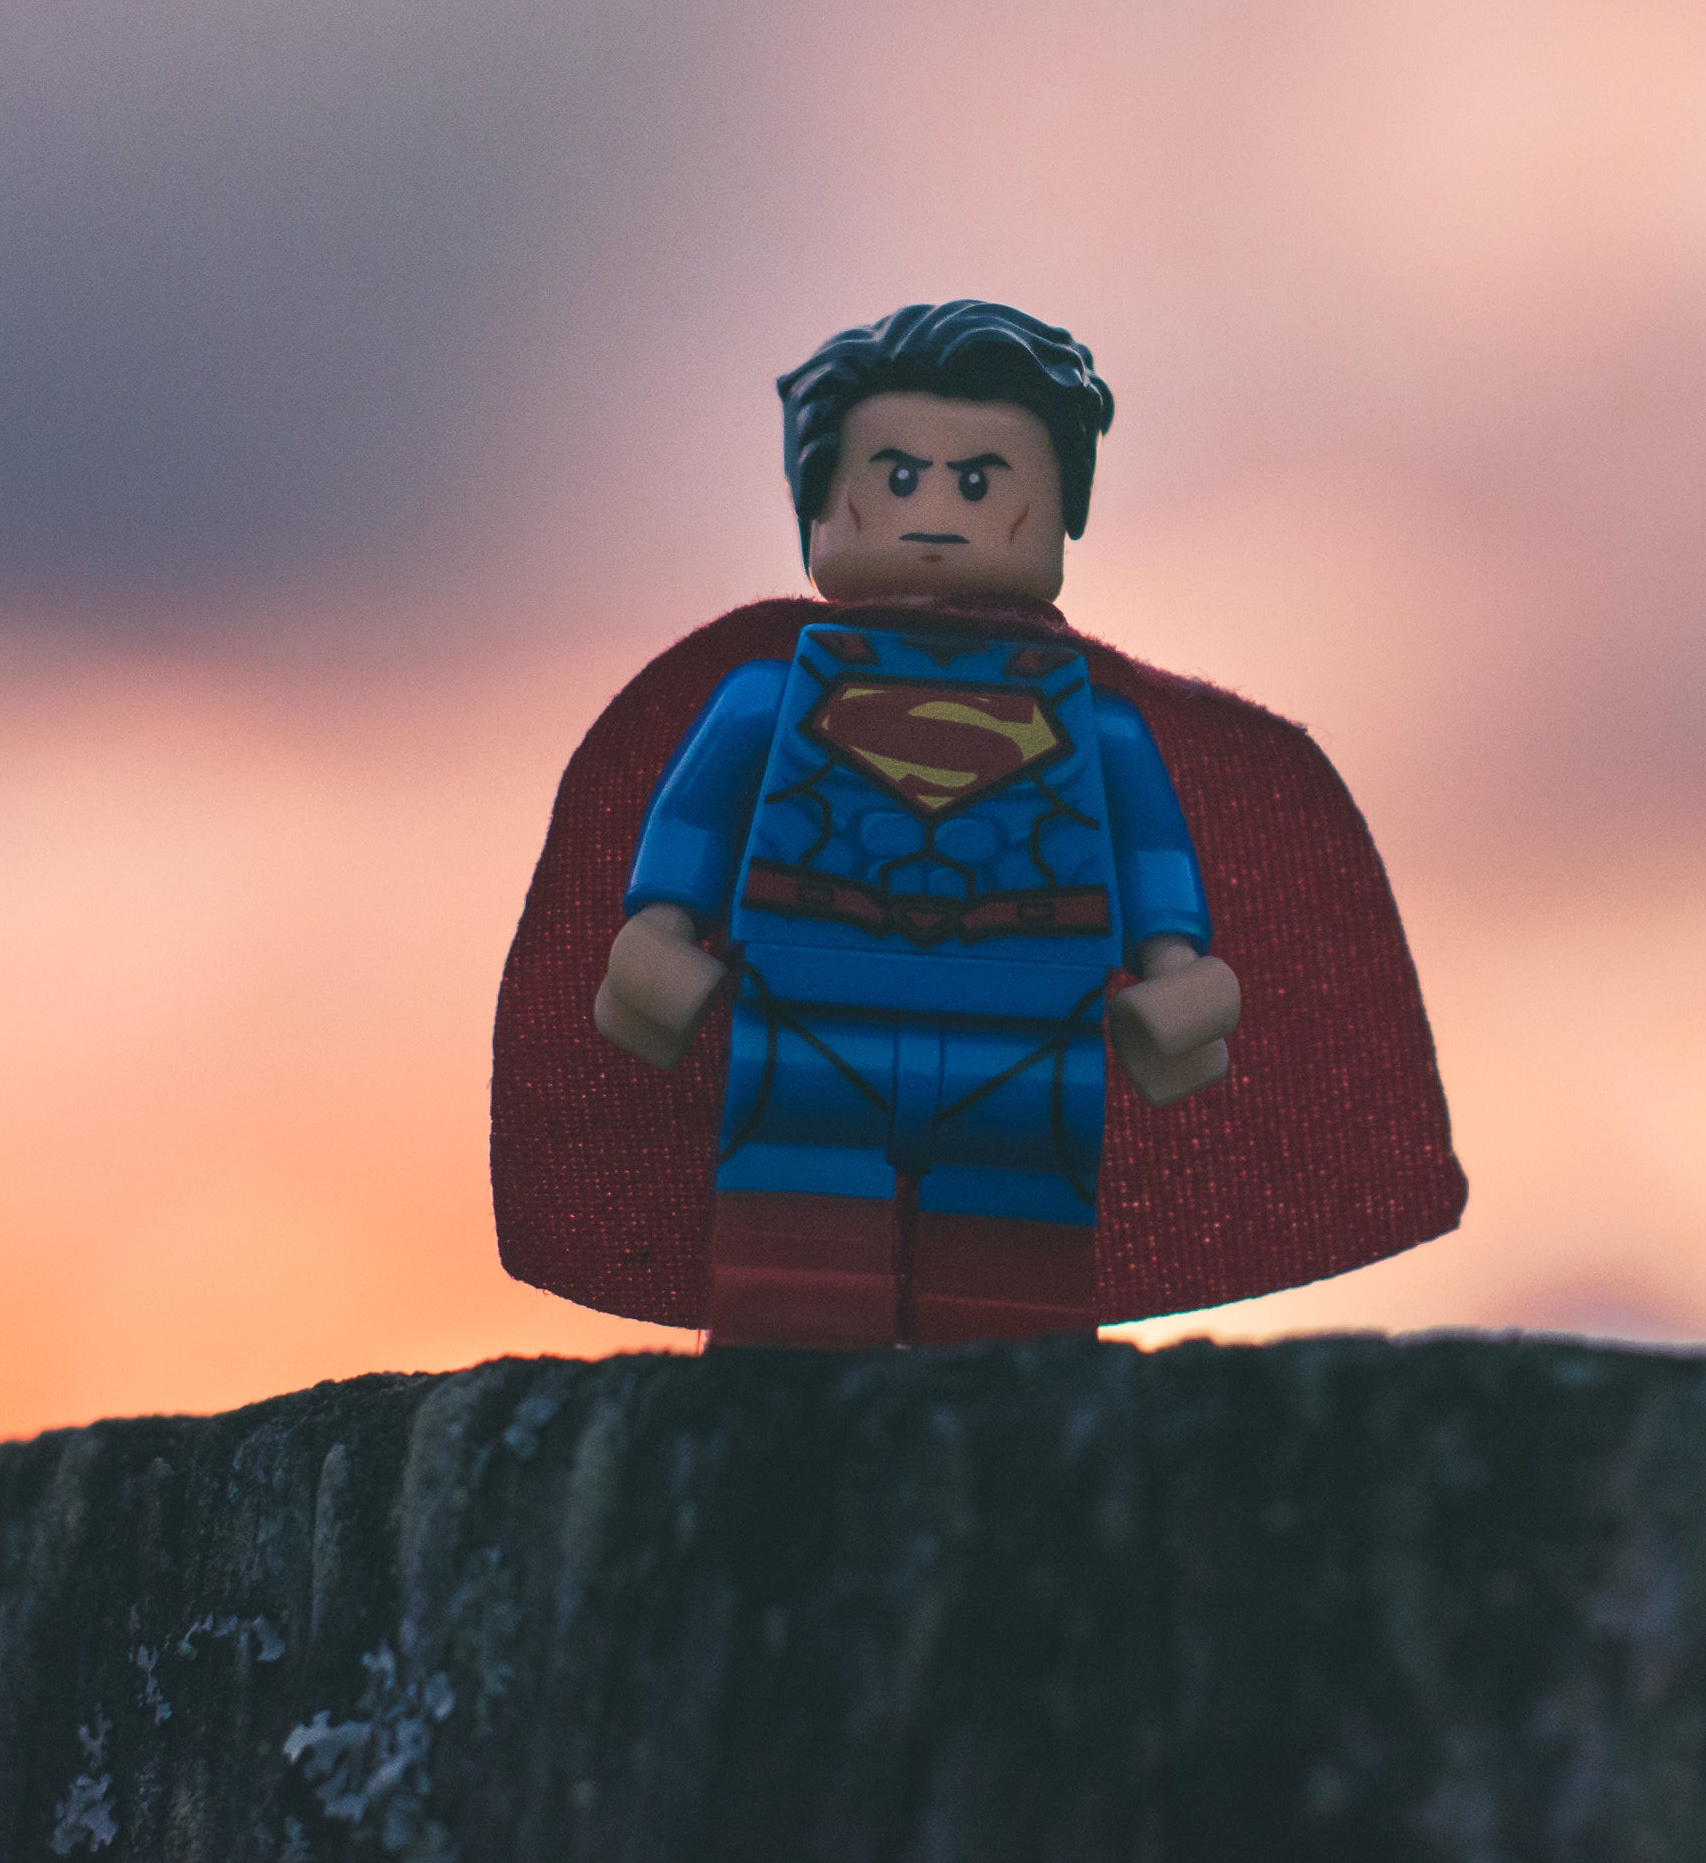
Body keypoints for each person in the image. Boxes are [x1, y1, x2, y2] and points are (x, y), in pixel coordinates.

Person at [490, 301, 1462, 1345]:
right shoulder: (768, 694)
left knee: (1009, 1283)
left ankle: (1000, 1413)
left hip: (1032, 1015)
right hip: (808, 1000)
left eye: (979, 480)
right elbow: (695, 810)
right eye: (898, 476)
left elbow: (1150, 850)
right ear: (824, 503)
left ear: (1057, 508)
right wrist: (660, 922)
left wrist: (1177, 964)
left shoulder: (1095, 720)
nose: (936, 509)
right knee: (793, 1269)